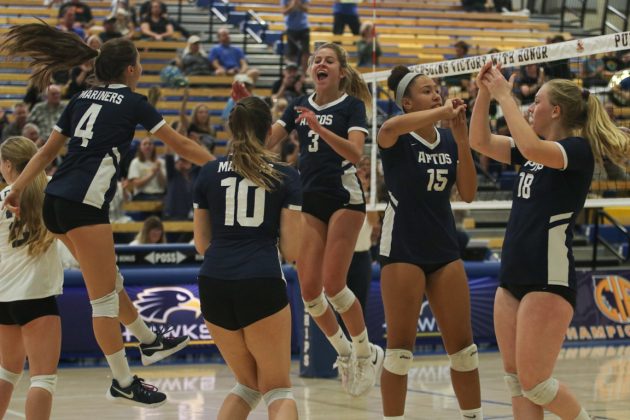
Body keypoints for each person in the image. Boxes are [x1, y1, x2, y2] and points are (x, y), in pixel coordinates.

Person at [0, 25, 215, 407]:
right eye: (139, 62)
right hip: (84, 205)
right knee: (103, 300)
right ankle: (122, 379)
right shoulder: (134, 101)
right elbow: (180, 143)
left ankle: (149, 341)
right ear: (131, 70)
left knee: (109, 280)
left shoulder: (82, 96)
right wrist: (221, 165)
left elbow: (46, 153)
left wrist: (17, 188)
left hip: (56, 201)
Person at [469, 61, 629, 420]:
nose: (530, 107)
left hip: (548, 276)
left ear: (555, 111)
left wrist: (505, 96)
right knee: (516, 382)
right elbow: (478, 141)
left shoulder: (576, 150)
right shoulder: (535, 149)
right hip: (512, 274)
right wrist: (483, 92)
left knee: (536, 382)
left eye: (536, 101)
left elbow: (528, 148)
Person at [236, 42, 384, 397]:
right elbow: (266, 143)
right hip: (311, 199)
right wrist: (245, 112)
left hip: (345, 198)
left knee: (334, 284)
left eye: (328, 60)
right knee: (309, 292)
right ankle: (345, 353)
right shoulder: (300, 105)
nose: (321, 63)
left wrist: (318, 128)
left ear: (341, 72)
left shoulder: (351, 106)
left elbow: (355, 152)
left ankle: (367, 352)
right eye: (316, 60)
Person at [377, 65, 481, 420]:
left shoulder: (449, 139)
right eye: (426, 90)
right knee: (400, 352)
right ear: (406, 102)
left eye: (437, 89)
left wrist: (463, 139)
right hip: (403, 247)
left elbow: (467, 193)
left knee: (464, 350)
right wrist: (442, 112)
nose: (436, 94)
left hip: (442, 247)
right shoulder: (396, 135)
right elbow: (388, 128)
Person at [193, 96, 301, 420]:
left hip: (213, 283)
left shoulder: (209, 172)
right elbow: (292, 251)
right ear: (269, 130)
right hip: (260, 280)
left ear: (230, 128)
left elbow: (201, 244)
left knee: (247, 385)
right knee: (278, 389)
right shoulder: (286, 175)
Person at [0, 136, 63, 420]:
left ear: (8, 164)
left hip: (4, 298)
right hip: (37, 296)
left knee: (6, 373)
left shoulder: (3, 199)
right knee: (43, 379)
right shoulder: (54, 190)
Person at [282, 0, 310, 71]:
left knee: (305, 52)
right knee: (291, 53)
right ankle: (292, 73)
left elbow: (306, 9)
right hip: (291, 28)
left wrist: (298, 4)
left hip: (304, 28)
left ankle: (304, 74)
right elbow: (284, 12)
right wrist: (292, 5)